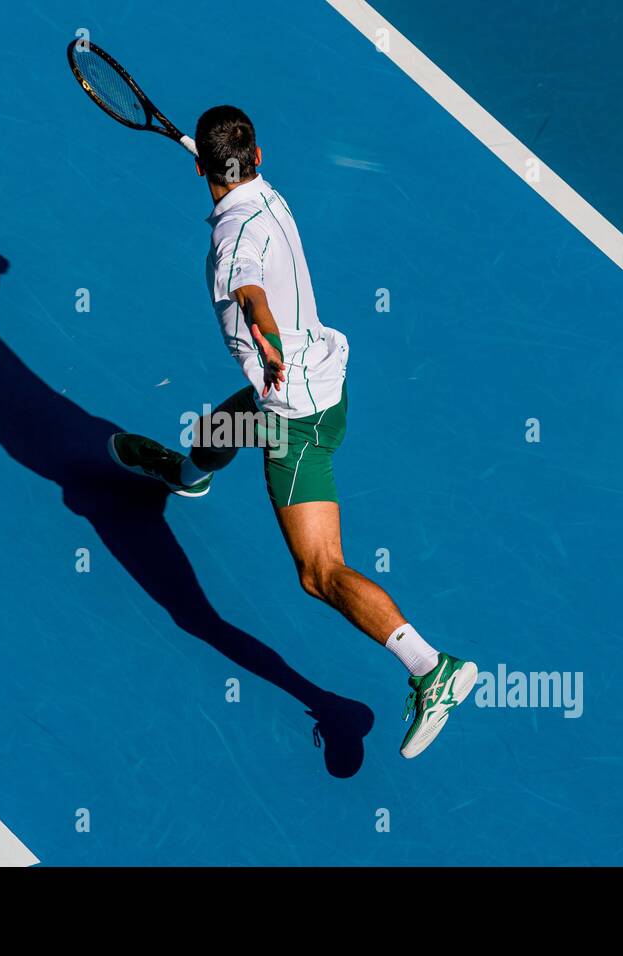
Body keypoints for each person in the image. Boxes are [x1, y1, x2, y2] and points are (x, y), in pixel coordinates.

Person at [109, 106, 477, 758]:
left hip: (293, 419)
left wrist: (266, 341)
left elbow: (247, 288)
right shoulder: (265, 194)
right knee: (221, 427)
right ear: (258, 157)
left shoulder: (230, 244)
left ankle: (429, 666)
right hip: (323, 382)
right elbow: (231, 179)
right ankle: (185, 476)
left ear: (199, 167)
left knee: (318, 571)